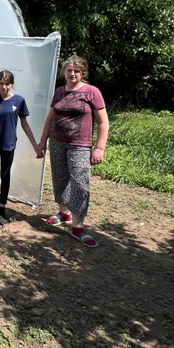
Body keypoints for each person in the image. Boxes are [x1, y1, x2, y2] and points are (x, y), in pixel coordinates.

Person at [39, 55, 109, 248]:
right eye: (69, 70)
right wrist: (42, 141)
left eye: (76, 71)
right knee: (60, 177)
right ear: (64, 72)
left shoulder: (92, 92)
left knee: (80, 183)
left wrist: (99, 148)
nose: (72, 74)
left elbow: (103, 122)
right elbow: (50, 118)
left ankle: (78, 226)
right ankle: (64, 213)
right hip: (57, 142)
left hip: (80, 145)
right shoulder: (59, 92)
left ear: (82, 73)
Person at [0, 70, 42, 225]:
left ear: (12, 84)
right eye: (1, 83)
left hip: (8, 144)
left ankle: (2, 208)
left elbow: (25, 124)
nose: (4, 87)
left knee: (5, 175)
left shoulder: (19, 100)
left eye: (7, 84)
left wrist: (35, 145)